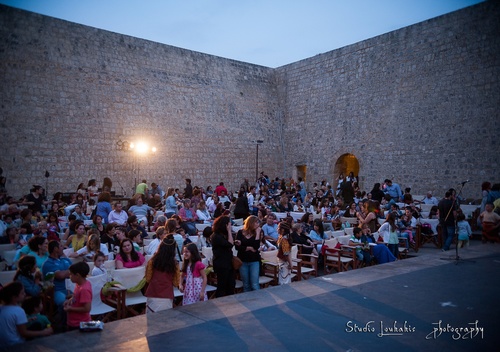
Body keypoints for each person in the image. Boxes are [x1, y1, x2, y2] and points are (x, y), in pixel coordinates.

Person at [0, 282, 53, 346]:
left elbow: (11, 324)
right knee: (37, 325)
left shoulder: (2, 308)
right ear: (14, 297)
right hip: (16, 344)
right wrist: (44, 332)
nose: (25, 294)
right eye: (22, 293)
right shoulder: (18, 311)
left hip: (3, 344)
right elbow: (24, 333)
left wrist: (27, 320)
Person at [144, 236, 180, 314]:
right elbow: (176, 283)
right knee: (165, 321)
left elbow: (148, 278)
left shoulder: (152, 261)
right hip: (166, 295)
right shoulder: (175, 264)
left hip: (153, 292)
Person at [234, 215, 262, 292]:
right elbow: (237, 247)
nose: (257, 224)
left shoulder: (257, 233)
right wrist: (248, 248)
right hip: (243, 260)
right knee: (246, 284)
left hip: (254, 260)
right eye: (256, 222)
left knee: (254, 284)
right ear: (251, 223)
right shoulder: (240, 232)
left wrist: (258, 233)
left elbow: (256, 247)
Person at [210, 215, 235, 297]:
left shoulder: (223, 235)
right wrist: (229, 231)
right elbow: (230, 244)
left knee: (231, 284)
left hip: (228, 263)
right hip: (221, 264)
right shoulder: (216, 236)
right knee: (222, 285)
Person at [42, 241, 71, 307]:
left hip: (71, 289)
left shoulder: (65, 260)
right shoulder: (48, 263)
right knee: (65, 302)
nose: (63, 247)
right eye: (61, 246)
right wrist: (71, 271)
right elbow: (60, 276)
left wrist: (66, 272)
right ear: (55, 249)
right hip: (57, 291)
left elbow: (76, 270)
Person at [64, 262, 91, 330]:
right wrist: (69, 301)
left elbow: (87, 308)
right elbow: (75, 296)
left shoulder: (84, 289)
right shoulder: (78, 284)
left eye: (71, 274)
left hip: (80, 324)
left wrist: (70, 309)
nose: (69, 276)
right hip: (73, 321)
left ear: (77, 275)